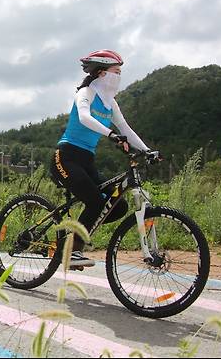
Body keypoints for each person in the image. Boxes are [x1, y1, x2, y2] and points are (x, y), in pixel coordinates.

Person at [49, 50, 160, 269]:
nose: (119, 76)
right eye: (115, 72)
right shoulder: (86, 93)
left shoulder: (111, 103)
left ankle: (74, 236)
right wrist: (110, 134)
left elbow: (125, 128)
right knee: (94, 202)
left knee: (117, 207)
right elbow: (84, 117)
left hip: (86, 161)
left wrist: (147, 150)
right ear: (101, 73)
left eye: (120, 72)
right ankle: (71, 251)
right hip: (66, 157)